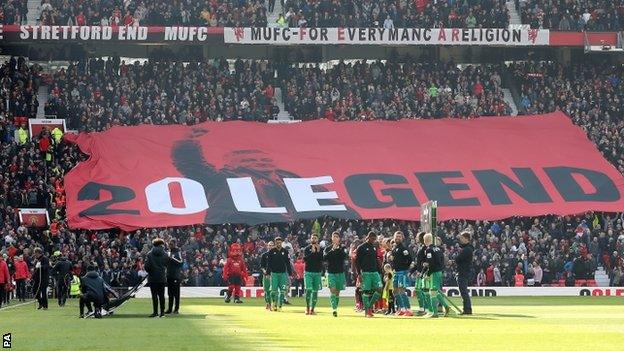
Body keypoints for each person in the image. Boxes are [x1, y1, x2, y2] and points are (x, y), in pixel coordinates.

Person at [355, 231, 383, 317]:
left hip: (375, 272)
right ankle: (367, 311)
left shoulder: (374, 247)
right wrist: (359, 274)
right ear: (368, 237)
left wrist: (379, 271)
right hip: (366, 273)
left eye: (375, 239)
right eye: (372, 238)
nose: (374, 240)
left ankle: (370, 306)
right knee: (366, 292)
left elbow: (375, 260)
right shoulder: (361, 247)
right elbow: (357, 262)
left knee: (379, 289)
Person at [423, 233, 449, 318]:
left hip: (434, 272)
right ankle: (446, 306)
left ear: (425, 241)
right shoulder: (438, 249)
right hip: (439, 271)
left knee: (432, 292)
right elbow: (442, 260)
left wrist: (428, 273)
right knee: (437, 291)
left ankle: (435, 313)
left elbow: (431, 263)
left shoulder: (429, 250)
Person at [324, 231, 348, 317]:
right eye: (333, 236)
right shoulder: (327, 248)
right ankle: (334, 309)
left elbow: (345, 256)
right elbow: (325, 258)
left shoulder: (343, 248)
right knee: (333, 290)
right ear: (331, 238)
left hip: (340, 273)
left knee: (337, 293)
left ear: (339, 239)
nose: (335, 238)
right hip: (331, 273)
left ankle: (335, 307)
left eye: (336, 237)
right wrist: (333, 250)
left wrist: (338, 249)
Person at [390, 231, 413, 316]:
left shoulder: (404, 249)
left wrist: (405, 268)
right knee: (395, 291)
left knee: (401, 290)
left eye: (399, 236)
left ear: (402, 238)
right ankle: (402, 309)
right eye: (396, 236)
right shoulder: (394, 249)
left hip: (402, 272)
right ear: (394, 237)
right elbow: (393, 261)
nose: (398, 238)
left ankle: (409, 309)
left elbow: (410, 259)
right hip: (395, 272)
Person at [266, 237, 293, 311]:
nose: (279, 244)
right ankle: (274, 303)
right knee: (273, 291)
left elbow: (288, 263)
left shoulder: (285, 251)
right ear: (275, 243)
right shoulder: (271, 251)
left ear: (282, 243)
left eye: (280, 242)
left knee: (282, 291)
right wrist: (268, 273)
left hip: (283, 274)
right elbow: (269, 263)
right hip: (274, 274)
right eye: (277, 243)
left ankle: (280, 305)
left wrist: (290, 274)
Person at [145, 238, 168, 318]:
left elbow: (146, 267)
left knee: (154, 296)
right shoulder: (165, 254)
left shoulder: (149, 254)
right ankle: (162, 313)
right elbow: (166, 264)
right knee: (162, 296)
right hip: (161, 277)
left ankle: (155, 312)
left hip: (152, 278)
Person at [303, 233, 323, 315]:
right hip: (308, 272)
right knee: (309, 289)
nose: (314, 239)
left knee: (315, 292)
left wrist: (318, 252)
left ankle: (312, 309)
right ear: (310, 239)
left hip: (317, 273)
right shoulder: (307, 249)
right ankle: (307, 307)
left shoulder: (321, 249)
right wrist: (313, 253)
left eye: (315, 238)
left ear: (317, 240)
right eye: (312, 238)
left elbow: (322, 259)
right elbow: (305, 259)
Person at [455, 231, 474, 315]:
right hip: (464, 272)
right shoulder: (467, 249)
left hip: (463, 272)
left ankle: (467, 309)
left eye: (462, 238)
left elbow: (458, 259)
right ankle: (467, 309)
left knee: (464, 292)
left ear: (467, 239)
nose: (460, 239)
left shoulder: (466, 250)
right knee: (463, 292)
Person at [410, 232, 428, 316]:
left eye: (417, 237)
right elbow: (419, 262)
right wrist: (412, 271)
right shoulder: (421, 248)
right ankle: (423, 308)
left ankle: (426, 309)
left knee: (422, 290)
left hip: (422, 273)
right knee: (419, 290)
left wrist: (421, 272)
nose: (416, 238)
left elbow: (425, 262)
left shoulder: (425, 249)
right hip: (419, 273)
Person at [165, 239, 182, 314]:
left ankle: (176, 309)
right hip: (169, 275)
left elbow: (181, 262)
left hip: (176, 276)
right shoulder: (168, 252)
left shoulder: (178, 252)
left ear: (175, 244)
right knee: (170, 293)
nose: (170, 246)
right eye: (169, 244)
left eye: (171, 244)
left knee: (176, 293)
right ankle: (169, 308)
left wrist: (172, 258)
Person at [260, 241, 275, 310]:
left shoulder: (277, 255)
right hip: (266, 275)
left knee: (273, 290)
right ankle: (268, 303)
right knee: (267, 290)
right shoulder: (264, 255)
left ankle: (273, 304)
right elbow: (262, 266)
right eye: (269, 245)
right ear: (267, 246)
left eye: (272, 245)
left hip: (274, 275)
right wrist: (265, 272)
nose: (271, 246)